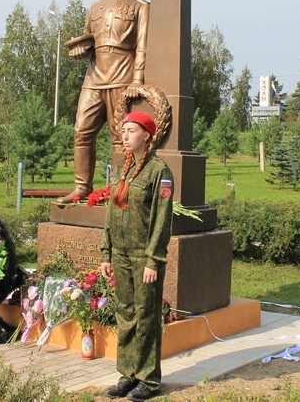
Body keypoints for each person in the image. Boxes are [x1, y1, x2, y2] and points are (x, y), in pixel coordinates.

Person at [56, 0, 150, 204]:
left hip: (122, 75)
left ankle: (119, 190)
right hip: (94, 77)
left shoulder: (141, 6)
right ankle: (81, 187)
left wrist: (137, 78)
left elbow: (142, 45)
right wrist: (80, 50)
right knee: (82, 131)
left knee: (121, 136)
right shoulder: (96, 6)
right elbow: (87, 41)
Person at [100, 111, 173, 401]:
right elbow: (110, 213)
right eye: (123, 130)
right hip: (120, 254)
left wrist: (154, 260)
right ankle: (127, 374)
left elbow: (162, 219)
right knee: (125, 314)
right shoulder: (121, 168)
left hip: (144, 257)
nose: (125, 135)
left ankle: (148, 379)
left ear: (147, 135)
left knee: (146, 316)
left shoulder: (159, 171)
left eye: (131, 130)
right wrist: (106, 252)